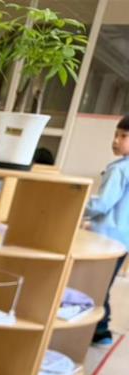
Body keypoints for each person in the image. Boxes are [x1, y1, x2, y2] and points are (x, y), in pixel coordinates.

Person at [84, 115, 129, 347]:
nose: (116, 140)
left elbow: (102, 204)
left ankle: (100, 331)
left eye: (123, 136)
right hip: (122, 240)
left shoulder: (120, 170)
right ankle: (99, 330)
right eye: (116, 135)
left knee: (95, 284)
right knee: (103, 283)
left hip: (105, 238)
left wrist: (78, 209)